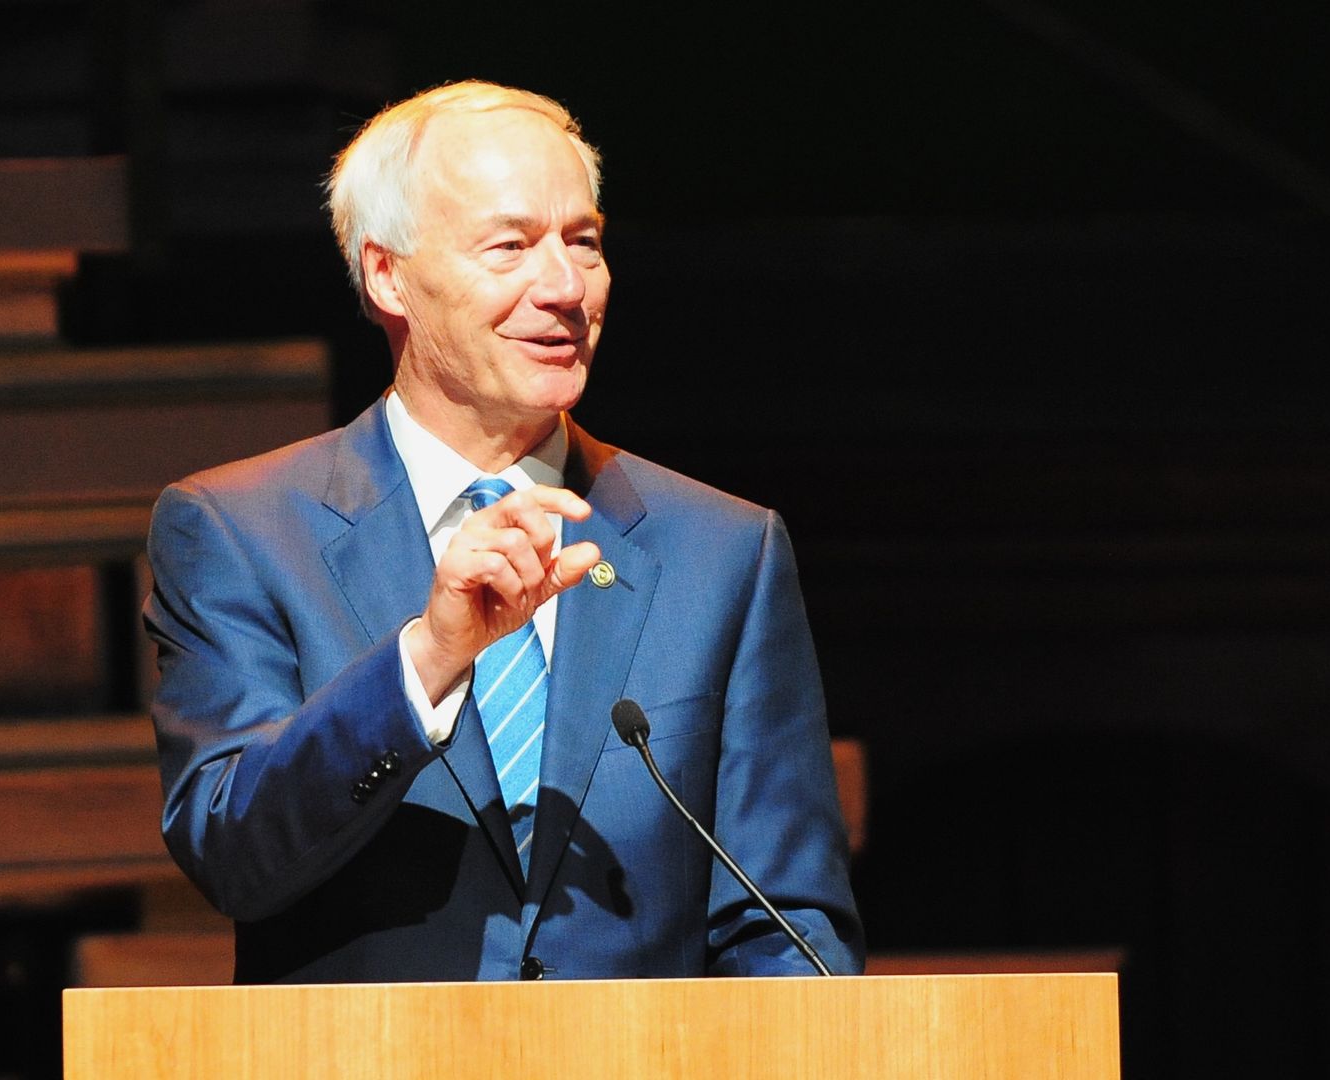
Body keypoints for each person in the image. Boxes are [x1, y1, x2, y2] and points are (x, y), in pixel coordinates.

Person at [144, 80, 863, 983]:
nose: (564, 287)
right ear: (387, 275)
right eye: (511, 246)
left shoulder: (722, 552)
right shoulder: (242, 532)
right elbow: (233, 853)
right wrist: (426, 663)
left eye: (584, 243)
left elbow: (788, 933)